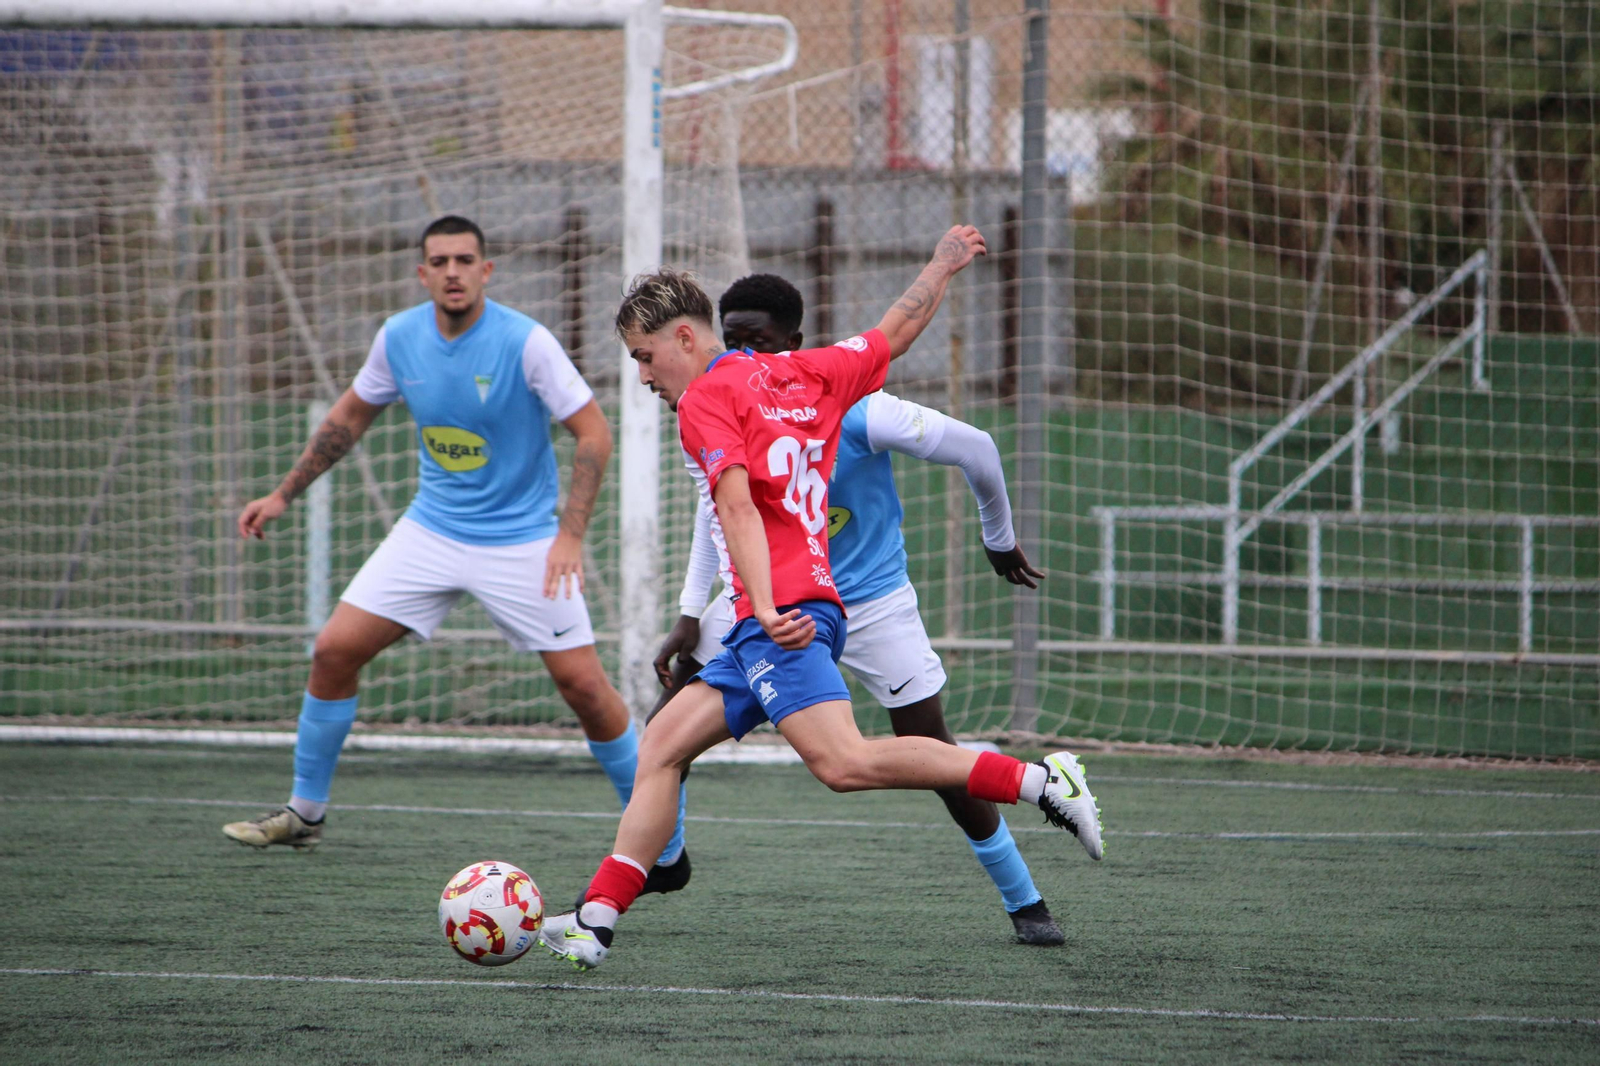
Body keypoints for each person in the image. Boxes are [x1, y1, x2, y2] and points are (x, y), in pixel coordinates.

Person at [540, 226, 1103, 971]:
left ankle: (1040, 781)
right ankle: (597, 918)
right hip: (787, 612)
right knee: (663, 746)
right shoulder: (807, 372)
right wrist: (940, 263)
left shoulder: (706, 402)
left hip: (787, 617)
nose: (643, 377)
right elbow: (894, 333)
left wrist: (765, 609)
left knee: (843, 765)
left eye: (644, 358)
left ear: (683, 336)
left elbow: (735, 510)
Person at [222, 215, 687, 883]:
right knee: (333, 650)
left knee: (585, 688)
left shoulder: (526, 343)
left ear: (486, 270)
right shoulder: (399, 338)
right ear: (422, 273)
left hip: (523, 540)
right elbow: (348, 417)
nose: (452, 272)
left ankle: (662, 844)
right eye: (439, 261)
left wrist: (569, 537)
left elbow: (593, 433)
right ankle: (305, 812)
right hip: (431, 531)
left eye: (465, 259)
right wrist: (282, 494)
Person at [650, 273, 1062, 945]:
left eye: (764, 341)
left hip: (870, 604)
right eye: (737, 342)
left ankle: (1024, 899)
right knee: (664, 728)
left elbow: (979, 448)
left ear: (797, 342)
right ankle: (663, 862)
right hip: (770, 603)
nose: (753, 355)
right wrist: (694, 610)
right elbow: (721, 509)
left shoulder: (864, 410)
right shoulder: (727, 400)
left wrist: (999, 539)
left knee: (933, 753)